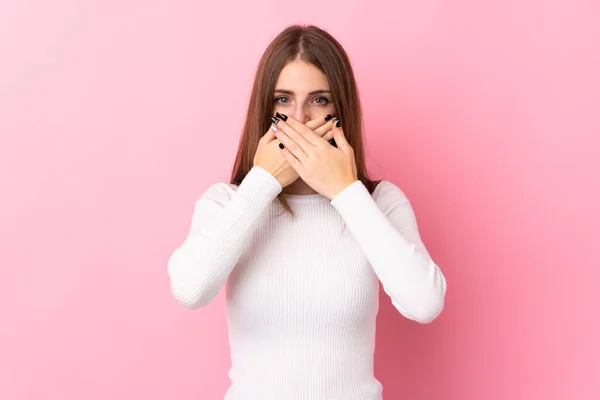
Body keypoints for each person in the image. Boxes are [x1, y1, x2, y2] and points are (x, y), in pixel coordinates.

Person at [167, 24, 447, 400]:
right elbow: (189, 289)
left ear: (339, 110)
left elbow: (424, 303)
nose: (298, 119)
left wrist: (344, 191)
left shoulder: (377, 202)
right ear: (265, 109)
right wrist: (262, 182)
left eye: (319, 100)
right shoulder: (227, 202)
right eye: (283, 100)